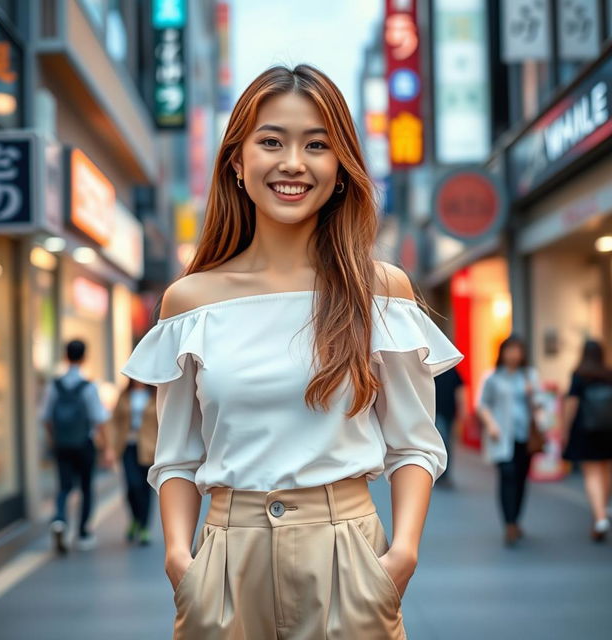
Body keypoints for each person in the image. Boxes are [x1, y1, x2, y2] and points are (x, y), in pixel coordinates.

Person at [121, 64, 463, 639]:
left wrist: (400, 556)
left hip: (347, 557)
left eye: (317, 145)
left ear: (339, 168)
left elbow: (414, 445)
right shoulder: (190, 301)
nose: (293, 163)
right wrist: (181, 563)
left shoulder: (379, 290)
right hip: (226, 562)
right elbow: (176, 455)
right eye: (271, 141)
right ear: (236, 160)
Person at [40, 339, 115, 553]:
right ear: (84, 357)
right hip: (84, 443)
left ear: (65, 356)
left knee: (64, 487)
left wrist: (54, 439)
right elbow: (99, 420)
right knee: (85, 487)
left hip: (62, 444)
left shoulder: (53, 386)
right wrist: (107, 448)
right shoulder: (89, 387)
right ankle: (83, 533)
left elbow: (45, 417)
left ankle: (60, 519)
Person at [477, 335, 543, 547]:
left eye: (518, 350)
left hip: (525, 437)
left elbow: (542, 404)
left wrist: (533, 396)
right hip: (501, 437)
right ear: (503, 352)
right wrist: (491, 424)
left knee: (522, 480)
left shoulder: (529, 376)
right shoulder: (493, 377)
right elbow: (482, 404)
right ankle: (509, 524)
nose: (514, 354)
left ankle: (516, 519)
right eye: (510, 350)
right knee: (507, 476)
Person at [561, 339, 612, 542]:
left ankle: (599, 517)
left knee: (591, 474)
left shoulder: (579, 375)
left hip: (586, 430)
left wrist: (564, 430)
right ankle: (600, 513)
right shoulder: (608, 374)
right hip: (608, 431)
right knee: (606, 471)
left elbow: (571, 404)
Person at [107, 377, 158, 546]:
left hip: (148, 448)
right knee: (131, 486)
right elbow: (114, 421)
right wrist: (110, 447)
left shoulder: (155, 394)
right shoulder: (125, 394)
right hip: (127, 447)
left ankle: (143, 527)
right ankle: (135, 518)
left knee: (144, 488)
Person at [434, 365, 466, 488]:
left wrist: (462, 411)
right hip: (437, 413)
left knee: (448, 444)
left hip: (450, 413)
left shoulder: (453, 371)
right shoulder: (434, 369)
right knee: (444, 441)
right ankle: (439, 473)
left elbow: (460, 391)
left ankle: (444, 474)